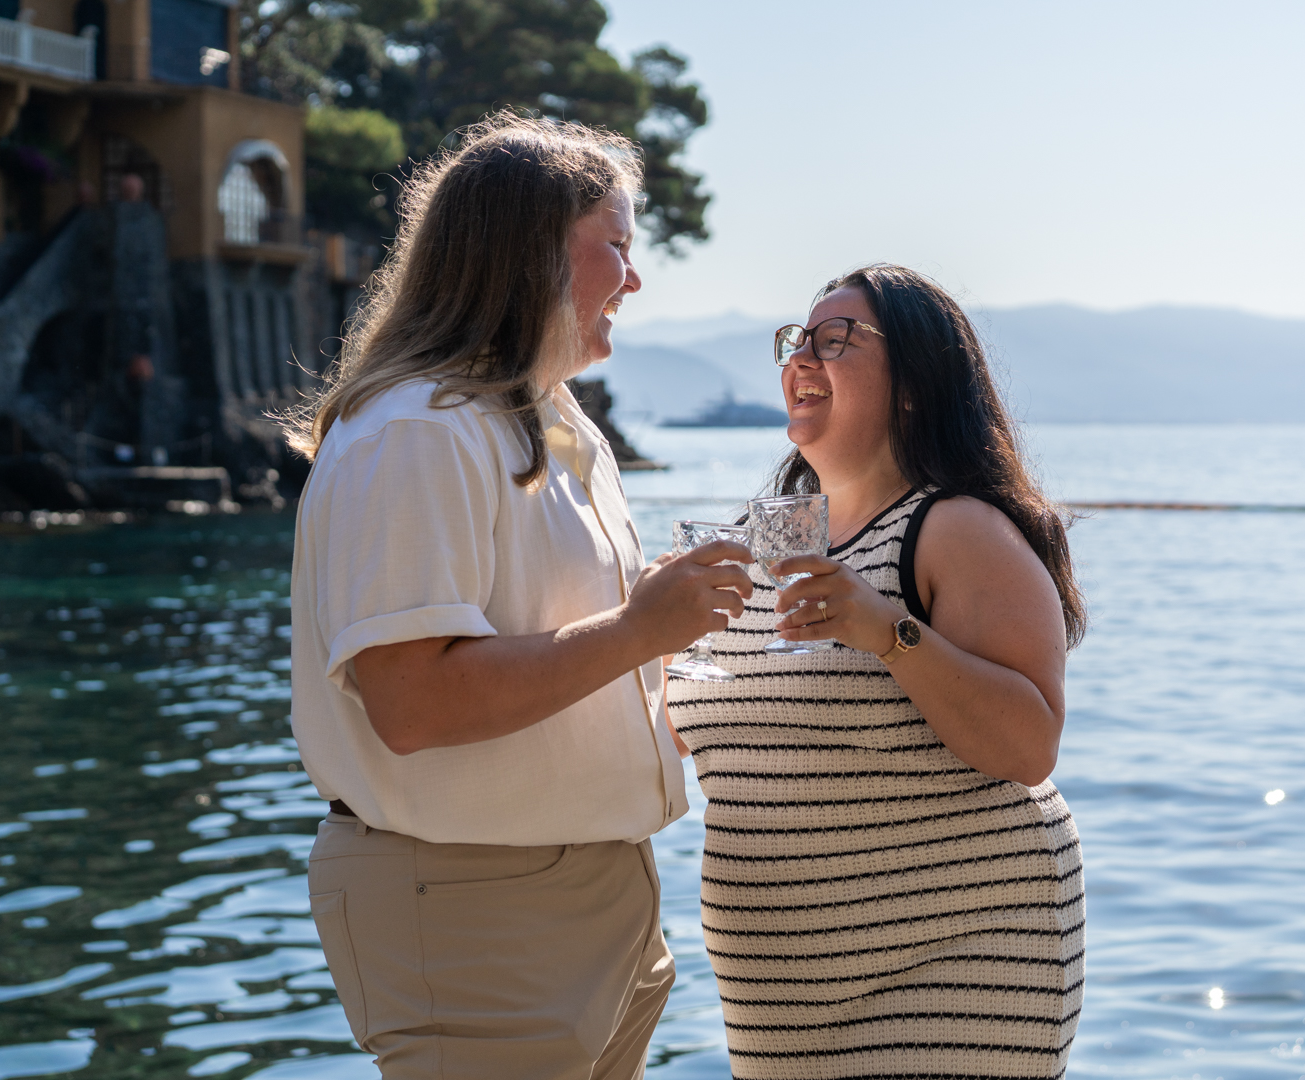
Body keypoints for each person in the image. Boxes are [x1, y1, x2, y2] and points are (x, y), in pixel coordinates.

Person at [286, 114, 754, 1078]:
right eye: (616, 246)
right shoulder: (418, 432)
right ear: (533, 252)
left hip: (588, 899)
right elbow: (415, 703)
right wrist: (638, 628)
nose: (635, 276)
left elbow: (560, 655)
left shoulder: (548, 425)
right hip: (476, 909)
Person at [668, 264, 1089, 1078]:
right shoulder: (751, 550)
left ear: (912, 384)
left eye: (837, 340)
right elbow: (689, 733)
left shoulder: (953, 528)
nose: (802, 358)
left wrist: (887, 633)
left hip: (955, 964)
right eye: (797, 341)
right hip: (780, 1002)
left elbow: (1028, 744)